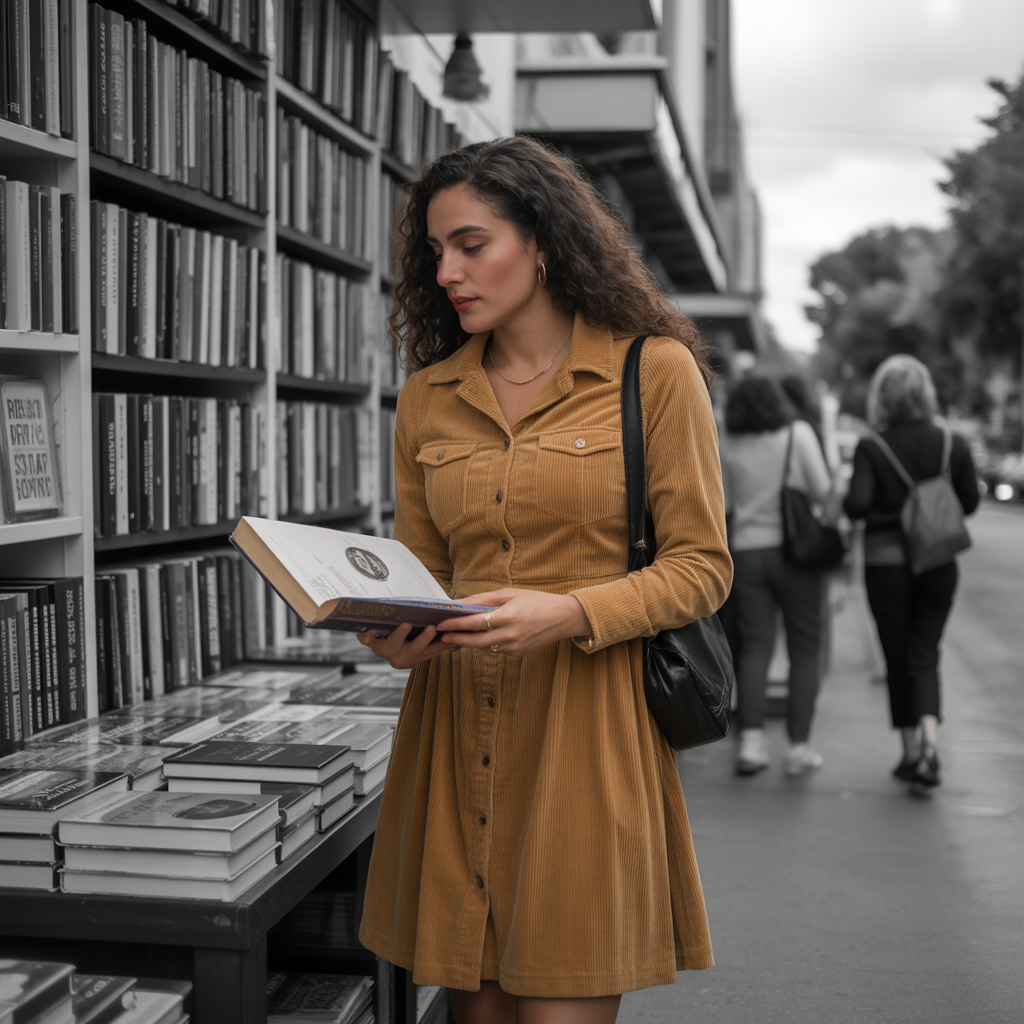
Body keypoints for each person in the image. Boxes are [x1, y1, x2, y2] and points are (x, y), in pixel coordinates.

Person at [353, 137, 732, 1024]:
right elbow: (427, 573)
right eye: (435, 251)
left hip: (587, 739)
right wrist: (396, 636)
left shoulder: (653, 373)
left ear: (546, 242)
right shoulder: (428, 398)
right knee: (471, 1013)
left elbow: (702, 567)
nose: (447, 270)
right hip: (451, 736)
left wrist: (569, 612)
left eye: (471, 244)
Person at [843, 355, 979, 788]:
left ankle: (910, 752)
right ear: (926, 394)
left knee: (897, 655)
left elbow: (857, 505)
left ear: (882, 397)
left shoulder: (872, 446)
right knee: (926, 651)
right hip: (938, 562)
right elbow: (970, 502)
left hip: (887, 564)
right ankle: (931, 738)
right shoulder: (952, 444)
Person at [719, 376, 836, 777]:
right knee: (805, 648)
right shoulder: (798, 433)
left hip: (746, 553)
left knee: (755, 646)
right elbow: (823, 492)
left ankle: (750, 742)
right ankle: (799, 747)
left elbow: (726, 503)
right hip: (796, 554)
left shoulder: (728, 440)